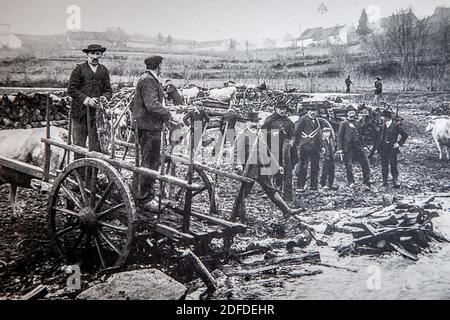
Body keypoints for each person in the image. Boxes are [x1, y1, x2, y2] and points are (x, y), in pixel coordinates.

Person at [231, 111, 304, 222]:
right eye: (252, 121)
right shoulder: (242, 135)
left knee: (271, 190)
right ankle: (234, 215)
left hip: (263, 168)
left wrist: (276, 165)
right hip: (250, 168)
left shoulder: (260, 134)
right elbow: (236, 151)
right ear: (246, 122)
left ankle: (287, 211)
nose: (254, 123)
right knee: (243, 192)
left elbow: (268, 151)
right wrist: (239, 165)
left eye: (256, 121)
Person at [132, 55, 171, 210]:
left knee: (149, 161)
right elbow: (152, 105)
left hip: (149, 126)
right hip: (148, 127)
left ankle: (146, 195)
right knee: (149, 162)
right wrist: (168, 114)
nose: (162, 68)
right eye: (161, 65)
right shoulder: (148, 80)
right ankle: (143, 199)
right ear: (158, 66)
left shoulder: (148, 79)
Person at [67, 44, 112, 158]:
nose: (95, 56)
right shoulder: (79, 69)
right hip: (79, 114)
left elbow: (108, 90)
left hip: (96, 116)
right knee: (79, 146)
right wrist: (87, 100)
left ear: (101, 55)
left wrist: (105, 97)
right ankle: (79, 174)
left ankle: (93, 174)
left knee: (96, 147)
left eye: (98, 54)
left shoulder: (103, 70)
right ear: (87, 55)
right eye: (92, 53)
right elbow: (71, 89)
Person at [261, 101, 296, 200]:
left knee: (282, 168)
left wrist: (292, 141)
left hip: (284, 149)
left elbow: (293, 134)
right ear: (276, 109)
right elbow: (262, 133)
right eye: (280, 109)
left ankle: (279, 187)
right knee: (271, 167)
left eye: (284, 109)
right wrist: (274, 133)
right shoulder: (270, 120)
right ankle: (268, 189)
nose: (282, 111)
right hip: (272, 147)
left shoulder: (288, 121)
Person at [336, 106, 372, 188]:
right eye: (350, 113)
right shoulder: (343, 123)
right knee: (349, 165)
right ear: (347, 114)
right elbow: (340, 136)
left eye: (353, 112)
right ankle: (351, 182)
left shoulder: (357, 123)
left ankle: (366, 180)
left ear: (355, 113)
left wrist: (364, 146)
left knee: (365, 163)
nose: (352, 114)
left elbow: (361, 135)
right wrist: (340, 148)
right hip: (348, 147)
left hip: (358, 146)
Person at [375, 110, 408, 188]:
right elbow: (380, 137)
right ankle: (384, 181)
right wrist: (378, 147)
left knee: (393, 165)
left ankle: (395, 181)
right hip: (383, 148)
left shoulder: (396, 126)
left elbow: (405, 135)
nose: (382, 118)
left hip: (392, 148)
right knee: (384, 165)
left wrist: (398, 144)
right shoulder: (383, 125)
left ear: (387, 117)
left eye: (383, 116)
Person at [294, 107, 322, 192]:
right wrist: (297, 144)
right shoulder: (303, 119)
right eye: (311, 111)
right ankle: (300, 187)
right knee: (303, 167)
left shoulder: (317, 121)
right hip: (305, 147)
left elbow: (319, 135)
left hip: (315, 148)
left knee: (315, 167)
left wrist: (321, 146)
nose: (313, 112)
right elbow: (297, 132)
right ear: (308, 111)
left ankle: (313, 187)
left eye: (315, 111)